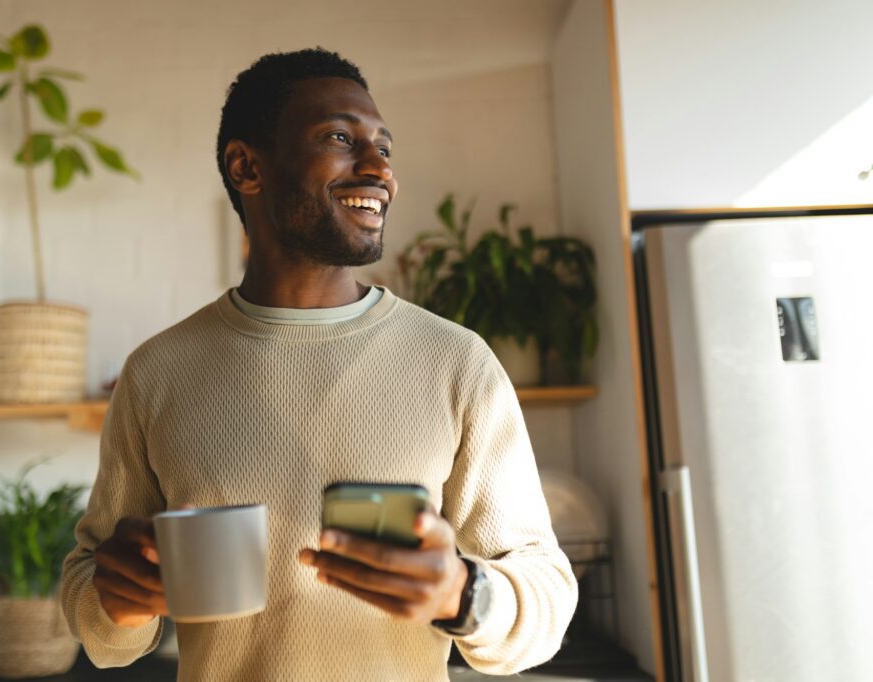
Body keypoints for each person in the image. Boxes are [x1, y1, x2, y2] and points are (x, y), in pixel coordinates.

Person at [59, 47, 577, 681]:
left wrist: (463, 595)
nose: (378, 168)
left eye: (384, 148)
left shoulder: (457, 363)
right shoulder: (159, 371)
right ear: (247, 167)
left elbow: (546, 591)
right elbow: (97, 613)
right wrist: (118, 602)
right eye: (340, 137)